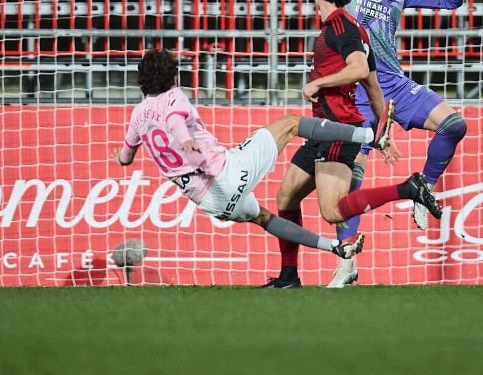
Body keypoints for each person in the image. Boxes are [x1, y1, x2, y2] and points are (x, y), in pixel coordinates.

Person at [280, 0, 468, 288]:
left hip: (395, 84)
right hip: (357, 92)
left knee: (456, 124)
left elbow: (451, 0)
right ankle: (347, 263)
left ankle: (424, 186)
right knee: (344, 188)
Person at [112, 47, 384, 272]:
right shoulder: (174, 97)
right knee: (290, 123)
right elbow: (173, 120)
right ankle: (367, 134)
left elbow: (126, 157)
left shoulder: (137, 115)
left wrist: (121, 158)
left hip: (210, 201)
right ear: (173, 77)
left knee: (264, 218)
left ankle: (336, 248)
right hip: (228, 173)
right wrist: (183, 138)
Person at [263, 0, 442, 289]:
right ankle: (288, 277)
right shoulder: (354, 28)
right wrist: (381, 133)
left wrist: (318, 83)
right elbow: (374, 89)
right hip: (325, 130)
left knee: (332, 211)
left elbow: (359, 70)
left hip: (337, 130)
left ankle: (409, 188)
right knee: (286, 197)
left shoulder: (341, 27)